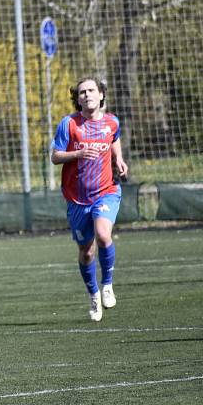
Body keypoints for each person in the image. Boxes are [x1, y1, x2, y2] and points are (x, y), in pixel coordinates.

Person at [51, 76, 128, 322]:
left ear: (101, 94)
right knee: (86, 252)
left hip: (106, 191)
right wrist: (79, 153)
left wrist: (119, 159)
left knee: (104, 234)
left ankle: (107, 284)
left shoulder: (111, 122)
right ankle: (93, 294)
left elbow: (114, 140)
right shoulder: (70, 124)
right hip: (77, 199)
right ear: (78, 98)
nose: (87, 95)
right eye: (82, 92)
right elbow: (55, 156)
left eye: (91, 90)